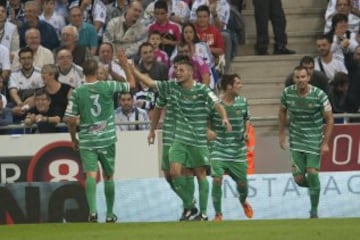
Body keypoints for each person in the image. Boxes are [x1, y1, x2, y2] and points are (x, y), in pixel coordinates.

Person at [130, 56, 232, 221]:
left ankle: (203, 213)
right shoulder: (171, 87)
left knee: (200, 174)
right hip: (178, 138)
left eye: (181, 70)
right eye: (176, 70)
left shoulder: (202, 89)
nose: (177, 73)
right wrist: (133, 71)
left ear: (191, 73)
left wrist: (224, 118)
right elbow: (151, 84)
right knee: (174, 172)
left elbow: (217, 104)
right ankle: (189, 204)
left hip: (198, 138)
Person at [65, 52, 135, 223]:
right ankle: (110, 215)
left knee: (90, 174)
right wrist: (125, 65)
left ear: (83, 73)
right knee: (109, 176)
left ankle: (93, 212)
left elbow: (71, 120)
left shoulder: (77, 92)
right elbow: (132, 84)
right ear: (97, 71)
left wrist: (74, 138)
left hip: (88, 140)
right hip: (107, 138)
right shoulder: (108, 86)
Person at [278, 66, 334, 219]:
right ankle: (315, 187)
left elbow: (329, 119)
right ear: (294, 79)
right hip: (296, 140)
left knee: (312, 172)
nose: (300, 80)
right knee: (299, 179)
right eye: (297, 77)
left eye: (303, 77)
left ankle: (314, 211)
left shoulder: (319, 95)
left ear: (308, 78)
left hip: (314, 140)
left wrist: (325, 142)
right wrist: (281, 133)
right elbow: (282, 111)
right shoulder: (287, 93)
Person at [208, 73, 253, 222]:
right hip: (218, 148)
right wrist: (209, 132)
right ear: (229, 87)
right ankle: (218, 214)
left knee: (242, 184)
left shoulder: (243, 102)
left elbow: (247, 118)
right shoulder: (215, 103)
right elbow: (205, 122)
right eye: (238, 83)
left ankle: (242, 200)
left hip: (237, 150)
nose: (241, 86)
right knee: (217, 180)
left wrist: (246, 132)